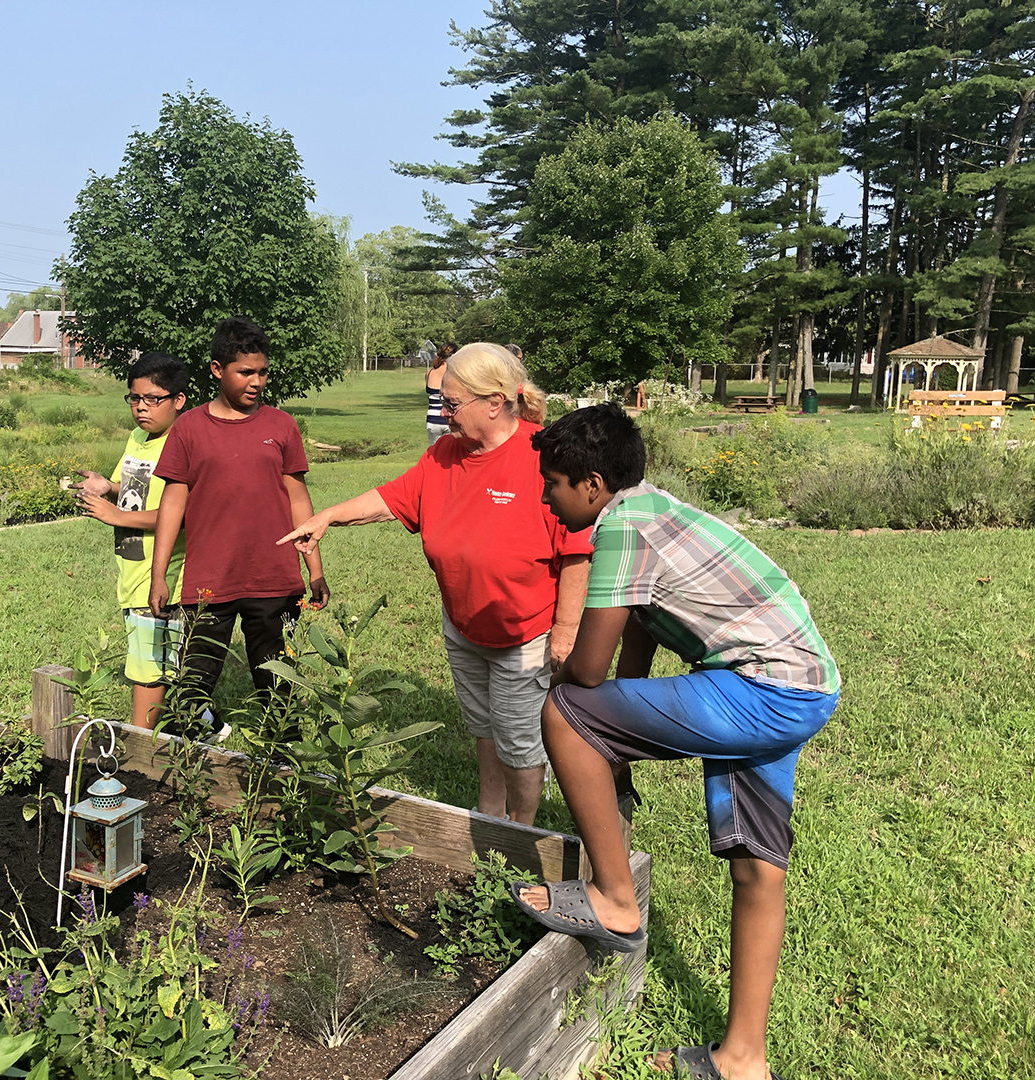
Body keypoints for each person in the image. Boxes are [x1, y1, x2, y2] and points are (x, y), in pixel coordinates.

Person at [516, 404, 840, 1080]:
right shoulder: (653, 510)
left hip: (760, 690)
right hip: (805, 685)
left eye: (552, 483)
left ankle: (614, 900)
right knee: (757, 867)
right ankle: (742, 1059)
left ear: (592, 483)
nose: (547, 497)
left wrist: (582, 692)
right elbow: (638, 630)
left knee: (564, 710)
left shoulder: (622, 528)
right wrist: (618, 741)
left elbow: (588, 675)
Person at [280, 343, 591, 824]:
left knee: (519, 736)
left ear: (494, 402)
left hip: (524, 631)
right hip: (464, 624)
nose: (444, 415)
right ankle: (490, 810)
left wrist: (567, 630)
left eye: (452, 404)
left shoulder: (543, 456)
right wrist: (329, 517)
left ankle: (521, 828)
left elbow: (576, 549)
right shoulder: (446, 453)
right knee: (485, 727)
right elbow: (392, 499)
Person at [149, 316, 331, 714]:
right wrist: (159, 576)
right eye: (245, 372)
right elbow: (171, 505)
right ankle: (185, 768)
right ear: (217, 370)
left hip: (274, 579)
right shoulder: (189, 429)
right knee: (192, 691)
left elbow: (299, 501)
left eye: (263, 372)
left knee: (279, 692)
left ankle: (284, 769)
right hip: (209, 582)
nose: (257, 382)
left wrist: (314, 569)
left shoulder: (281, 426)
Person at [72, 352, 189, 729]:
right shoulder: (138, 437)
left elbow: (185, 513)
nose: (141, 408)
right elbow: (138, 488)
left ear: (179, 400)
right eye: (135, 398)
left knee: (147, 669)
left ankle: (140, 745)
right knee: (159, 662)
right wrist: (109, 487)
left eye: (153, 399)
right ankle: (206, 722)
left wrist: (118, 517)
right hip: (132, 564)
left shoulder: (186, 442)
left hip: (161, 573)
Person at [425, 342, 456, 444]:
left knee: (434, 453)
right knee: (450, 454)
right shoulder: (454, 374)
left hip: (432, 420)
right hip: (448, 419)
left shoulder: (429, 373)